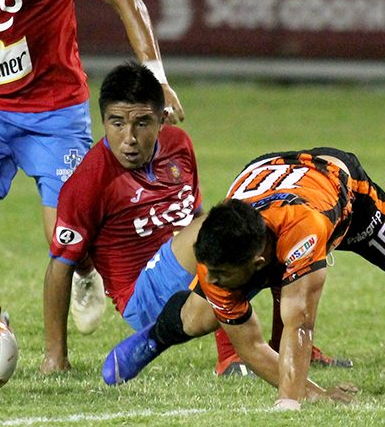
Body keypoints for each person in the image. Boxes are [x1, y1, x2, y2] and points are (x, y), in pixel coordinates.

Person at [0, 0, 184, 331]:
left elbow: (127, 0)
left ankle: (85, 272)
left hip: (53, 111)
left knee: (68, 243)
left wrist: (156, 79)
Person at [104, 146, 385, 409]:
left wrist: (288, 404)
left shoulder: (302, 232)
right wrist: (318, 394)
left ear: (257, 263)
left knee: (294, 306)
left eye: (221, 274)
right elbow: (251, 346)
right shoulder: (218, 252)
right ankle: (155, 337)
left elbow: (300, 325)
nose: (212, 281)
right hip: (264, 178)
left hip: (343, 193)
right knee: (197, 318)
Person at [41, 62, 252, 377]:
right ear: (103, 121)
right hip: (142, 296)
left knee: (264, 225)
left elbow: (194, 215)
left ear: (162, 119)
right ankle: (230, 356)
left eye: (142, 123)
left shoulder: (179, 145)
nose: (129, 138)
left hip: (188, 274)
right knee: (230, 226)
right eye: (117, 123)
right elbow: (60, 266)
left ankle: (291, 342)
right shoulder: (88, 182)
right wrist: (55, 358)